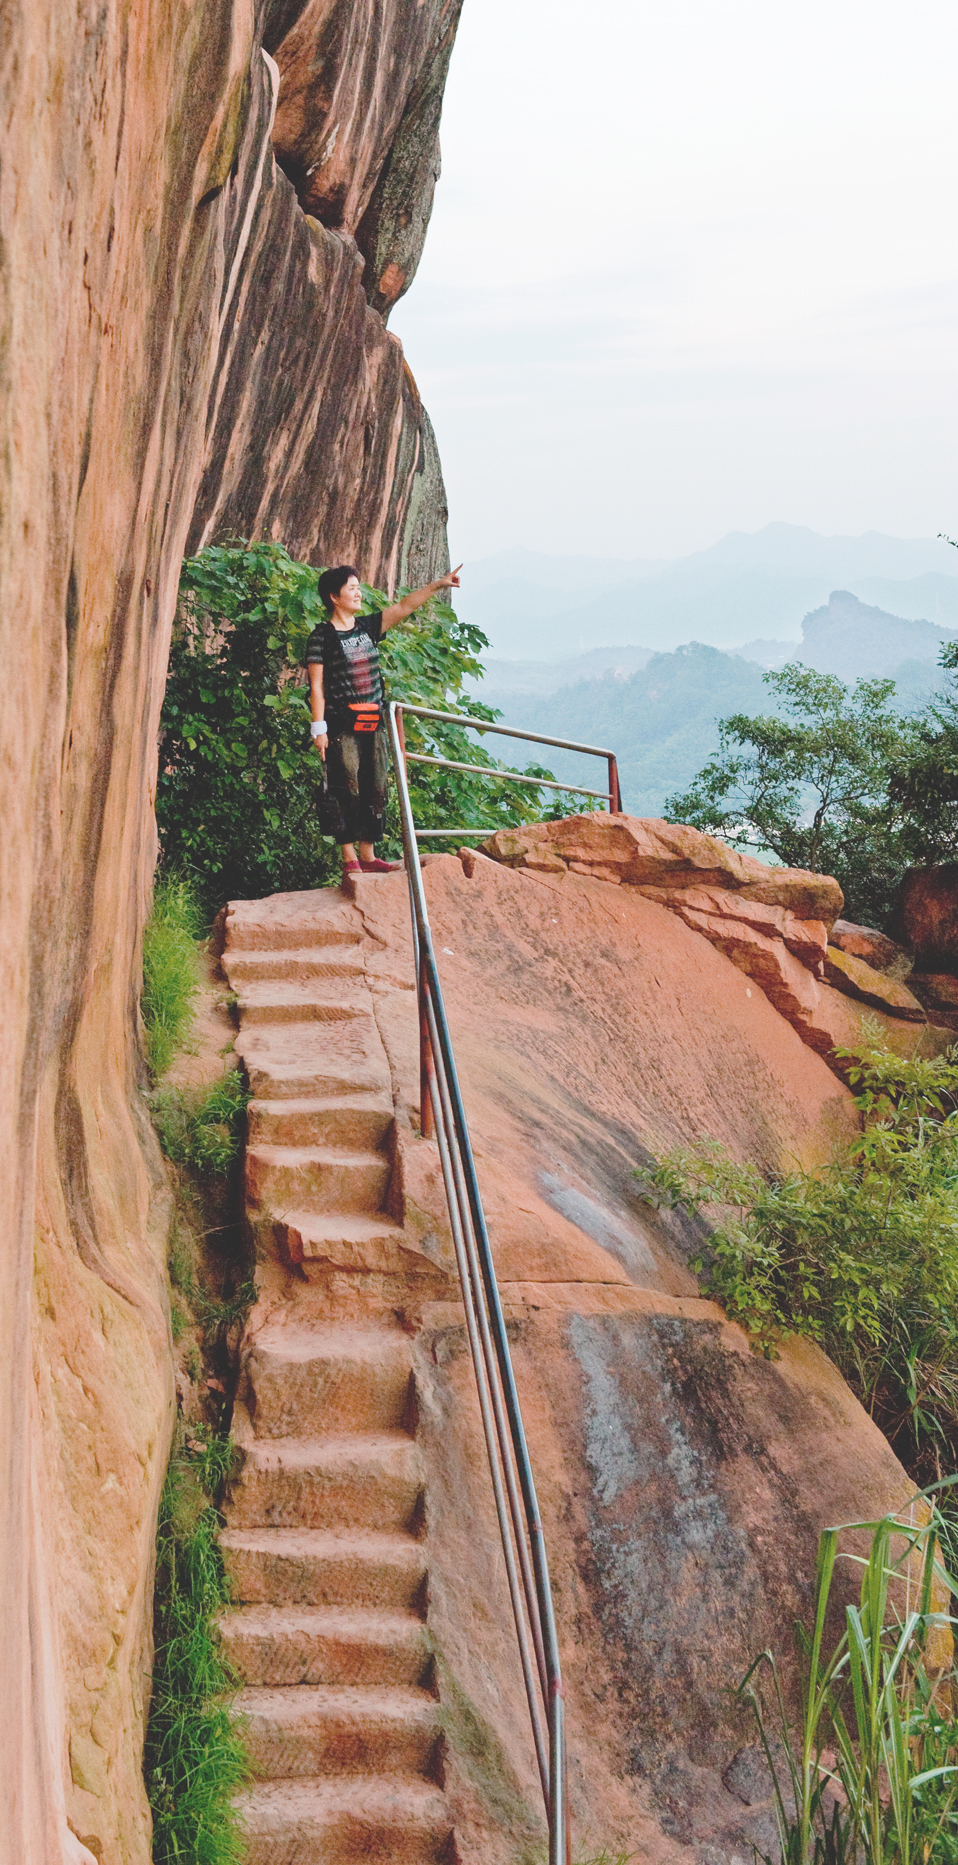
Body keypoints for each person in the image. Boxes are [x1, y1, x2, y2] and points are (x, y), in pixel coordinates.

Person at [306, 562, 462, 878]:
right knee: (344, 785)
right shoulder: (321, 636)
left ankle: (368, 854)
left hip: (373, 722)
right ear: (334, 597)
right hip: (340, 725)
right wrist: (318, 728)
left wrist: (437, 585)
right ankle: (348, 856)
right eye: (351, 588)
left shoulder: (368, 627)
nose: (358, 592)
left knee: (375, 786)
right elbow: (316, 686)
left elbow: (404, 606)